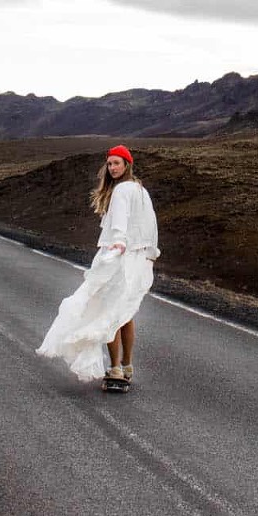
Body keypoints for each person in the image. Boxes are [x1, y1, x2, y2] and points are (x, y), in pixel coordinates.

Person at [37, 144, 159, 387]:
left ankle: (114, 369)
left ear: (127, 165)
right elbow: (151, 224)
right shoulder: (141, 190)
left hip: (118, 257)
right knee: (124, 314)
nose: (113, 168)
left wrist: (118, 245)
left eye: (117, 163)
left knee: (108, 312)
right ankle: (127, 365)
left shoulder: (123, 191)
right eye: (110, 163)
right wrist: (151, 254)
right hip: (137, 259)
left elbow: (120, 226)